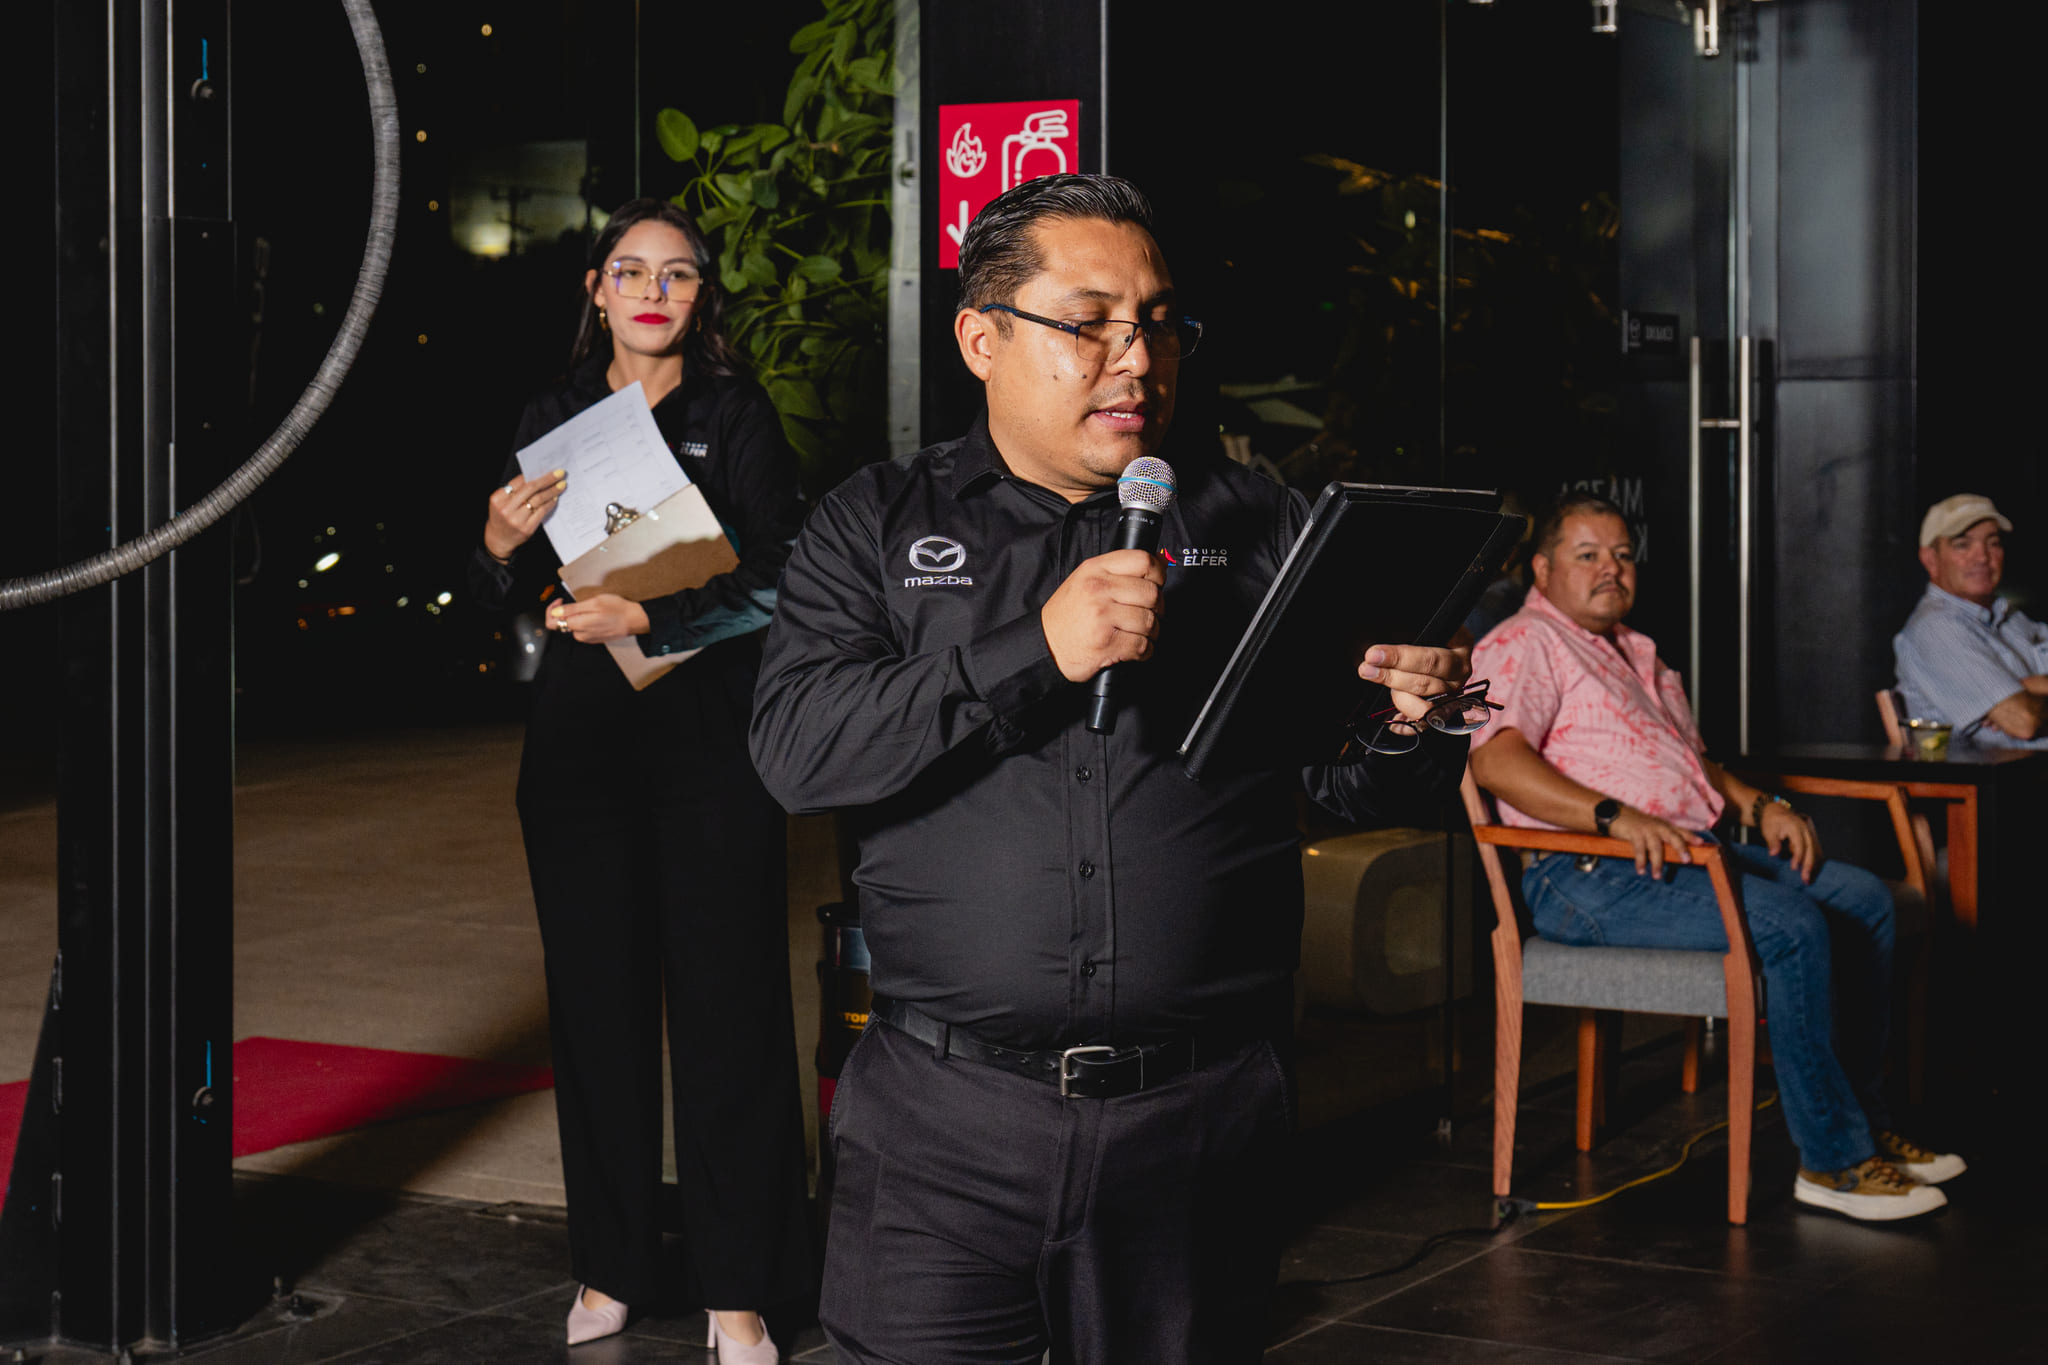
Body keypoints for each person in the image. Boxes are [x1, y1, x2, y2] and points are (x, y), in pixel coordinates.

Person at [748, 174, 1475, 1364]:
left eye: (1157, 324)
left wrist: (1406, 724)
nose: (1135, 359)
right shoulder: (872, 523)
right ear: (981, 340)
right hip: (940, 1123)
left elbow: (1347, 783)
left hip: (1197, 1122)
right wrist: (1034, 650)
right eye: (1088, 323)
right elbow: (797, 752)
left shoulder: (1255, 522)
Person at [466, 198, 811, 1360]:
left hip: (710, 748)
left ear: (700, 296)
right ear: (596, 290)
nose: (653, 291)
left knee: (730, 1014)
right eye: (630, 271)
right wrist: (498, 547)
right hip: (580, 749)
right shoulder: (552, 416)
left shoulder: (735, 413)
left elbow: (782, 576)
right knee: (596, 1014)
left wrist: (654, 617)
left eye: (676, 273)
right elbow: (510, 595)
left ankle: (737, 1287)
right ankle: (608, 1265)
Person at [1468, 491, 1966, 1222]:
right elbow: (1495, 762)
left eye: (1623, 555)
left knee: (1865, 900)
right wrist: (1613, 816)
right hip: (1586, 876)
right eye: (1588, 555)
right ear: (1542, 569)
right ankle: (1833, 1163)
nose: (1611, 569)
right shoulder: (1524, 642)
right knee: (1792, 924)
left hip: (1689, 853)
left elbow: (1693, 767)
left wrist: (1762, 807)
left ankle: (1862, 1123)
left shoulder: (1634, 650)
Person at [1893, 493, 2047, 748]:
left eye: (1993, 543)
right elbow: (2023, 721)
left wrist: (2036, 687)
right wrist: (2031, 693)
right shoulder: (1936, 629)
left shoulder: (2009, 619)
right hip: (2016, 773)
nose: (1982, 557)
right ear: (1930, 559)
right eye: (1962, 545)